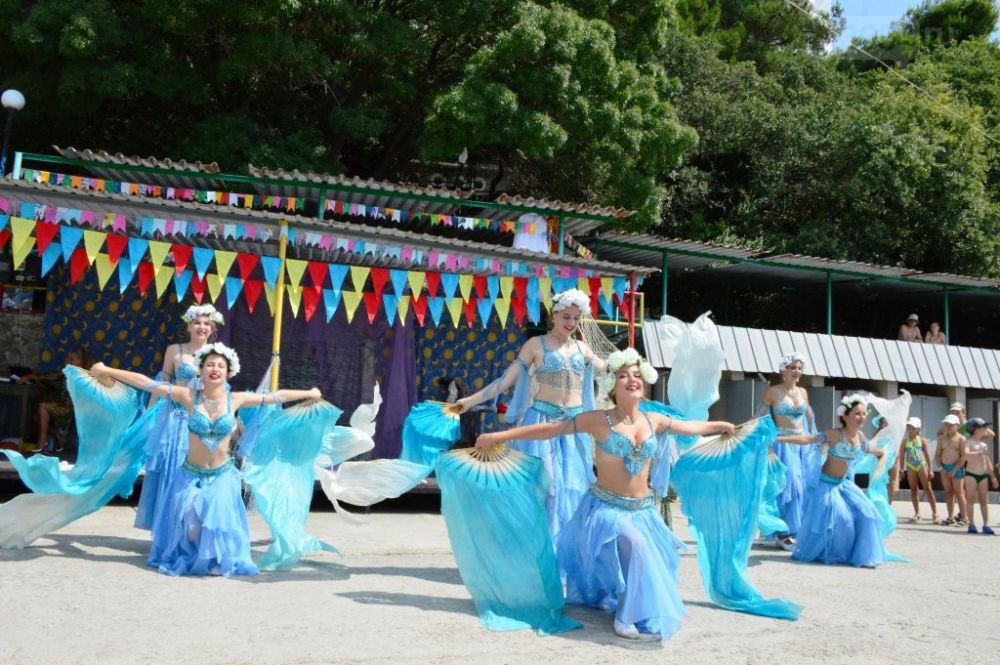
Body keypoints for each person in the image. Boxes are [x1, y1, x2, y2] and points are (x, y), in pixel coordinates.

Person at [474, 348, 736, 641]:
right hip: (605, 509)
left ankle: (629, 606)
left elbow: (691, 427)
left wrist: (720, 426)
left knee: (648, 556)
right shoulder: (598, 419)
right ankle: (625, 618)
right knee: (636, 546)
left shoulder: (655, 419)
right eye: (623, 375)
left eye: (637, 375)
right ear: (612, 384)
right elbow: (550, 430)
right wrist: (498, 436)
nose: (631, 379)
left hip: (643, 511)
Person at [91, 342, 322, 575]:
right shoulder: (188, 396)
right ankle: (199, 555)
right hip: (190, 475)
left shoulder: (237, 399)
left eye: (220, 365)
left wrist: (309, 393)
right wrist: (107, 370)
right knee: (192, 527)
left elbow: (276, 396)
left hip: (222, 475)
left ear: (228, 371)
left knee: (217, 522)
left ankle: (214, 560)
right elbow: (146, 382)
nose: (215, 368)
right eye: (209, 364)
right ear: (200, 370)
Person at [454, 288, 605, 540]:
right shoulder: (536, 345)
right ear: (553, 315)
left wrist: (634, 367)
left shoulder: (583, 348)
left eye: (576, 318)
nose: (571, 323)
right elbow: (505, 382)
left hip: (573, 427)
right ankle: (537, 549)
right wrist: (470, 401)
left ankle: (561, 552)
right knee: (548, 489)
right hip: (542, 424)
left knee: (574, 489)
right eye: (565, 316)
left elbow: (611, 371)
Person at [134, 304, 222, 531]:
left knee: (196, 475)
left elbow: (219, 391)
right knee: (172, 472)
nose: (201, 327)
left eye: (206, 324)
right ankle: (168, 530)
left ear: (212, 328)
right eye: (197, 323)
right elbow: (161, 383)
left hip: (201, 422)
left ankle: (189, 530)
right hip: (175, 421)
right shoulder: (175, 351)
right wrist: (150, 415)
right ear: (189, 326)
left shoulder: (218, 353)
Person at [777, 394, 887, 567]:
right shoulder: (835, 434)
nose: (862, 417)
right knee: (843, 519)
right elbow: (808, 439)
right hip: (826, 485)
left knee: (868, 513)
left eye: (864, 414)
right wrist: (780, 438)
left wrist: (881, 452)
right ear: (845, 415)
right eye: (858, 413)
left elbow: (868, 448)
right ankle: (836, 554)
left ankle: (862, 555)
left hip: (844, 485)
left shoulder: (860, 437)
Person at [756, 352, 814, 551]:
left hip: (801, 445)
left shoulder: (803, 393)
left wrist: (815, 439)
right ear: (783, 371)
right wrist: (759, 438)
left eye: (799, 368)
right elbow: (759, 416)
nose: (797, 371)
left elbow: (810, 417)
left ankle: (791, 531)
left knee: (800, 488)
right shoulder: (773, 391)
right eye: (792, 367)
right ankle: (782, 533)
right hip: (782, 444)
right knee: (786, 486)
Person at [25, 349, 86, 454]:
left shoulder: (83, 377)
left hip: (73, 409)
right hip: (63, 406)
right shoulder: (65, 373)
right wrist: (31, 376)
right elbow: (50, 376)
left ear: (80, 362)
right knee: (37, 416)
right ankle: (58, 437)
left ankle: (42, 442)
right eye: (68, 358)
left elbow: (84, 396)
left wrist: (73, 401)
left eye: (72, 359)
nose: (68, 361)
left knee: (43, 407)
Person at [955, 418, 998, 535]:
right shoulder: (968, 442)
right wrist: (979, 453)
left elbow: (987, 460)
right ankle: (971, 523)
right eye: (983, 427)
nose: (986, 429)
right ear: (975, 429)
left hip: (983, 475)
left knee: (984, 500)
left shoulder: (984, 444)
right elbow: (966, 454)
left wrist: (993, 476)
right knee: (970, 499)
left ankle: (986, 524)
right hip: (971, 474)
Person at [896, 417, 937, 524]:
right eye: (908, 427)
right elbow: (901, 456)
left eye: (913, 428)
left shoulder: (922, 441)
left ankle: (935, 513)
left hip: (921, 465)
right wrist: (901, 470)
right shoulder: (905, 442)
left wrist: (930, 469)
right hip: (910, 466)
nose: (910, 430)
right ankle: (917, 513)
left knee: (928, 489)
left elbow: (928, 456)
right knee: (914, 490)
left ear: (918, 429)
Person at [935, 414, 967, 526]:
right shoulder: (941, 439)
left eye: (950, 424)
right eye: (946, 424)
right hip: (944, 468)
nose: (948, 426)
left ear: (957, 425)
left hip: (957, 468)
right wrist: (941, 467)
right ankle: (950, 517)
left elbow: (963, 456)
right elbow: (937, 455)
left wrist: (955, 469)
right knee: (948, 493)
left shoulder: (961, 439)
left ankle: (964, 518)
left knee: (959, 493)